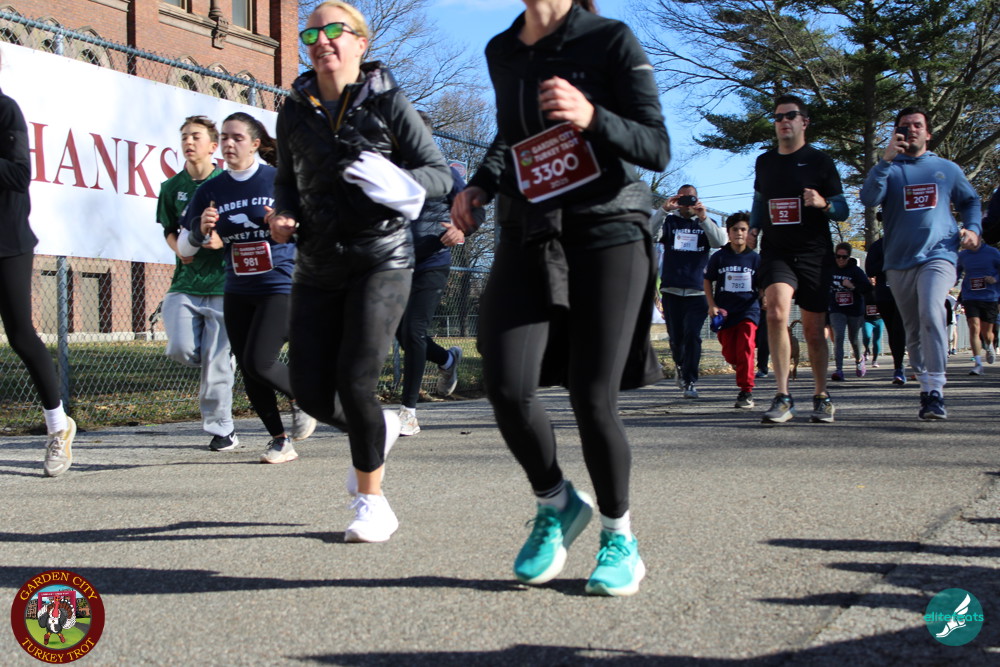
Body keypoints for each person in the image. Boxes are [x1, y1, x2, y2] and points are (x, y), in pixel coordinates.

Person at [451, 0, 670, 597]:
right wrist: (482, 183)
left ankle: (619, 537)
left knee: (591, 396)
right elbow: (511, 136)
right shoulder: (502, 50)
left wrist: (592, 116)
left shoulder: (610, 39)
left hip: (609, 230)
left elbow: (656, 147)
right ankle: (556, 501)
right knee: (505, 384)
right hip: (530, 230)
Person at [268, 1, 452, 543]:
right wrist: (282, 215)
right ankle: (381, 426)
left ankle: (373, 504)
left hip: (382, 258)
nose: (321, 40)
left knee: (355, 381)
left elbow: (439, 173)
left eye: (334, 30)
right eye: (311, 33)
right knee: (309, 389)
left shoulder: (389, 102)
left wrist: (402, 184)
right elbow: (286, 180)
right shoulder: (293, 109)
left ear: (360, 43)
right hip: (317, 262)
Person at [180, 112, 316, 462]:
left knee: (260, 361)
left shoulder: (279, 181)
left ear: (255, 144)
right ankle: (280, 440)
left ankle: (307, 395)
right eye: (224, 137)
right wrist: (199, 231)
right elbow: (185, 248)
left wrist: (286, 225)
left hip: (281, 282)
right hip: (238, 288)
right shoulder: (211, 189)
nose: (228, 143)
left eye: (237, 137)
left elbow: (316, 229)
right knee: (248, 367)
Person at [860, 105, 981, 419]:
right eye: (904, 125)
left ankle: (937, 388)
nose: (911, 129)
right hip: (899, 261)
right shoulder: (889, 169)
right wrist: (885, 160)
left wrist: (973, 229)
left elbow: (970, 200)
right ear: (896, 132)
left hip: (939, 254)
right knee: (912, 328)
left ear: (927, 133)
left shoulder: (946, 169)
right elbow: (869, 198)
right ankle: (926, 389)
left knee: (931, 310)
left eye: (917, 125)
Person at [748, 95, 849, 424]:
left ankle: (821, 395)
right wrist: (754, 227)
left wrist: (823, 203)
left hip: (814, 253)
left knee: (813, 330)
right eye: (778, 117)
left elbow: (843, 209)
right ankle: (783, 396)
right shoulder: (765, 162)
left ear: (804, 122)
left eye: (790, 116)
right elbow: (759, 200)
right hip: (776, 250)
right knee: (776, 312)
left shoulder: (820, 161)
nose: (783, 122)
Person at [0, 76, 76, 477]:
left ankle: (58, 426)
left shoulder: (5, 110)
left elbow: (19, 175)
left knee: (20, 335)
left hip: (8, 242)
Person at [393, 111, 483, 436]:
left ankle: (408, 412)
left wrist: (460, 229)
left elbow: (476, 210)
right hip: (394, 263)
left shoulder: (444, 173)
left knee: (413, 330)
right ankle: (447, 361)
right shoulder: (387, 170)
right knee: (401, 334)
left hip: (431, 261)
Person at [156, 115, 237, 452]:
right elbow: (169, 230)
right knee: (181, 348)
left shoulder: (229, 184)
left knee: (216, 365)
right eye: (185, 137)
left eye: (196, 137)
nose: (189, 142)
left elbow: (245, 228)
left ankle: (222, 430)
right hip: (185, 283)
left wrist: (223, 241)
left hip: (223, 284)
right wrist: (180, 250)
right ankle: (223, 360)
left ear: (213, 146)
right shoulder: (171, 188)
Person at [653, 184, 726, 399]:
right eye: (682, 198)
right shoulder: (670, 222)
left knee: (692, 335)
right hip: (671, 289)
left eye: (690, 198)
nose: (686, 203)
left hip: (698, 292)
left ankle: (690, 380)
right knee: (676, 338)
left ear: (697, 199)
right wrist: (663, 210)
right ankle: (680, 365)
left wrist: (703, 217)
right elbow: (649, 234)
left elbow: (719, 242)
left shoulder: (705, 222)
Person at [704, 212, 761, 408]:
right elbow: (707, 280)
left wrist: (766, 298)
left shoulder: (755, 259)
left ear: (749, 232)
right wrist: (712, 305)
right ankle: (738, 365)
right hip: (725, 312)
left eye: (743, 229)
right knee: (730, 353)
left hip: (748, 310)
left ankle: (746, 391)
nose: (739, 233)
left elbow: (762, 284)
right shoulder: (719, 257)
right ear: (728, 232)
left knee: (746, 346)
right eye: (735, 229)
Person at [865, 234, 908, 384]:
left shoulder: (905, 241)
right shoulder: (877, 246)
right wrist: (888, 261)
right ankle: (898, 366)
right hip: (884, 295)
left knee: (899, 329)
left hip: (904, 293)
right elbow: (870, 270)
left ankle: (901, 368)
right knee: (892, 331)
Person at [827, 242, 873, 381]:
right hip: (836, 309)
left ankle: (859, 359)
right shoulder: (829, 268)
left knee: (854, 339)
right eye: (838, 256)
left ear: (849, 257)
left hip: (854, 310)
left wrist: (852, 286)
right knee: (839, 337)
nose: (841, 260)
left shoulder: (855, 271)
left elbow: (867, 288)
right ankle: (839, 370)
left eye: (844, 257)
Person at [956, 236, 1000, 376]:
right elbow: (956, 272)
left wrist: (995, 278)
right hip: (970, 296)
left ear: (979, 238)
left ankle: (989, 345)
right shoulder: (962, 255)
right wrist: (952, 281)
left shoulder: (993, 253)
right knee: (974, 327)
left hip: (989, 297)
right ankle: (978, 364)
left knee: (987, 333)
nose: (965, 241)